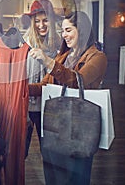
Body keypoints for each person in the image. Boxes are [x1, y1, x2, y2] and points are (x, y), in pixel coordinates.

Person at [28, 10, 108, 185]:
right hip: (55, 126)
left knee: (75, 177)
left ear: (83, 30)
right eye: (63, 31)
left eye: (69, 30)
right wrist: (20, 89)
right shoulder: (64, 56)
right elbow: (45, 86)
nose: (64, 35)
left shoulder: (97, 57)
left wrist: (48, 62)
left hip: (79, 129)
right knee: (53, 175)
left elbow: (76, 81)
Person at [23, 0, 61, 158]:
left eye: (45, 20)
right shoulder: (25, 42)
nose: (41, 25)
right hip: (26, 102)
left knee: (49, 151)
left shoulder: (59, 43)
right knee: (20, 151)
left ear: (51, 21)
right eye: (37, 21)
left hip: (48, 105)